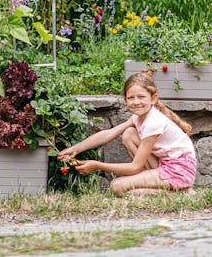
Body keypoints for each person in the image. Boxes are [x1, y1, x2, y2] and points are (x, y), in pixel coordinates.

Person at [57, 72, 197, 195]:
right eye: (131, 98)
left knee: (117, 187)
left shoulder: (153, 122)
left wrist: (97, 165)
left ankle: (177, 192)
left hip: (179, 171)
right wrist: (75, 149)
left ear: (153, 98)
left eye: (141, 97)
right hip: (165, 165)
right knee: (128, 133)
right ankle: (169, 186)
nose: (136, 102)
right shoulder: (138, 117)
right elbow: (109, 133)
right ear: (125, 100)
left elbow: (135, 167)